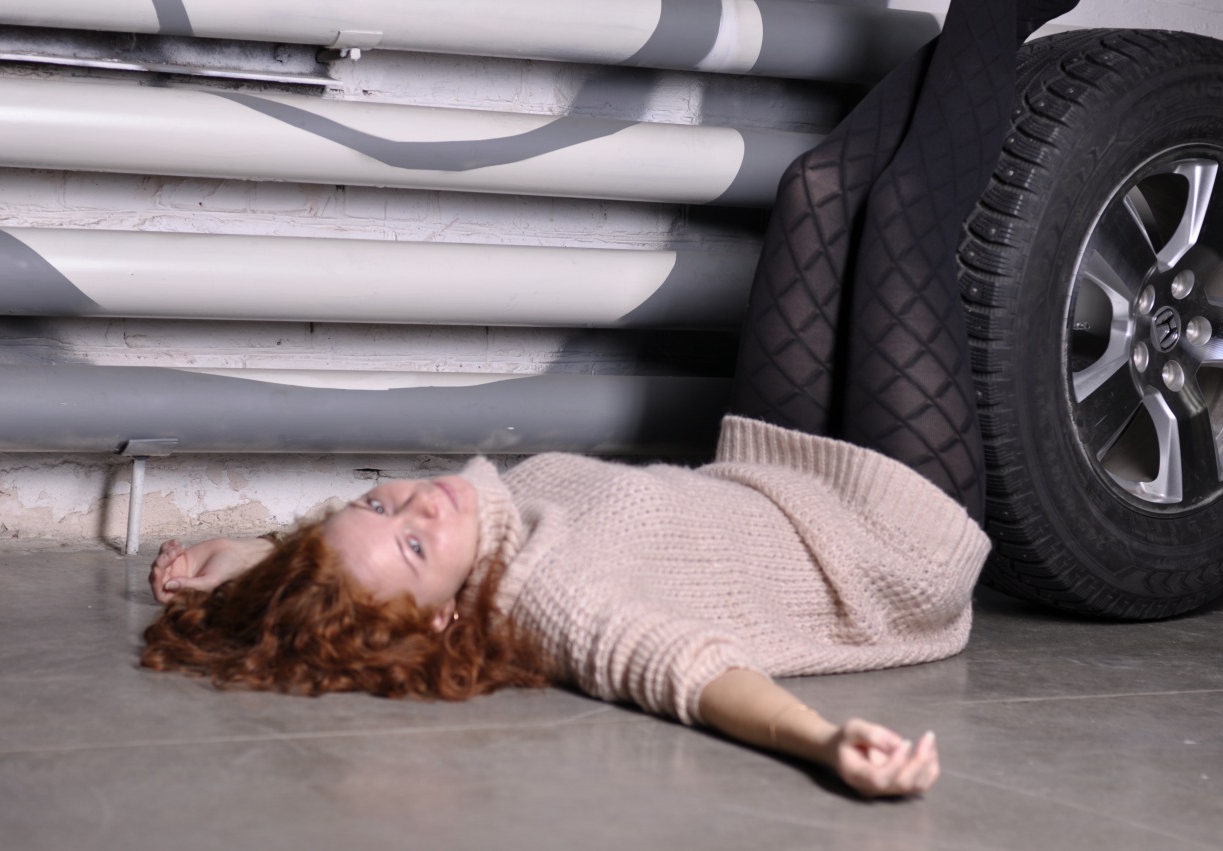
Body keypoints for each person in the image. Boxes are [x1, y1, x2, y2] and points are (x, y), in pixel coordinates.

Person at [142, 0, 1080, 799]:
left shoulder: (476, 534)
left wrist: (249, 563)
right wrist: (824, 741)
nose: (418, 506)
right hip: (887, 549)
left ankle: (1004, 19)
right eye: (416, 543)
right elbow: (687, 672)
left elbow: (351, 561)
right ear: (438, 618)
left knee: (816, 189)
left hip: (784, 479)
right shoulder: (548, 602)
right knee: (904, 212)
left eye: (381, 503)